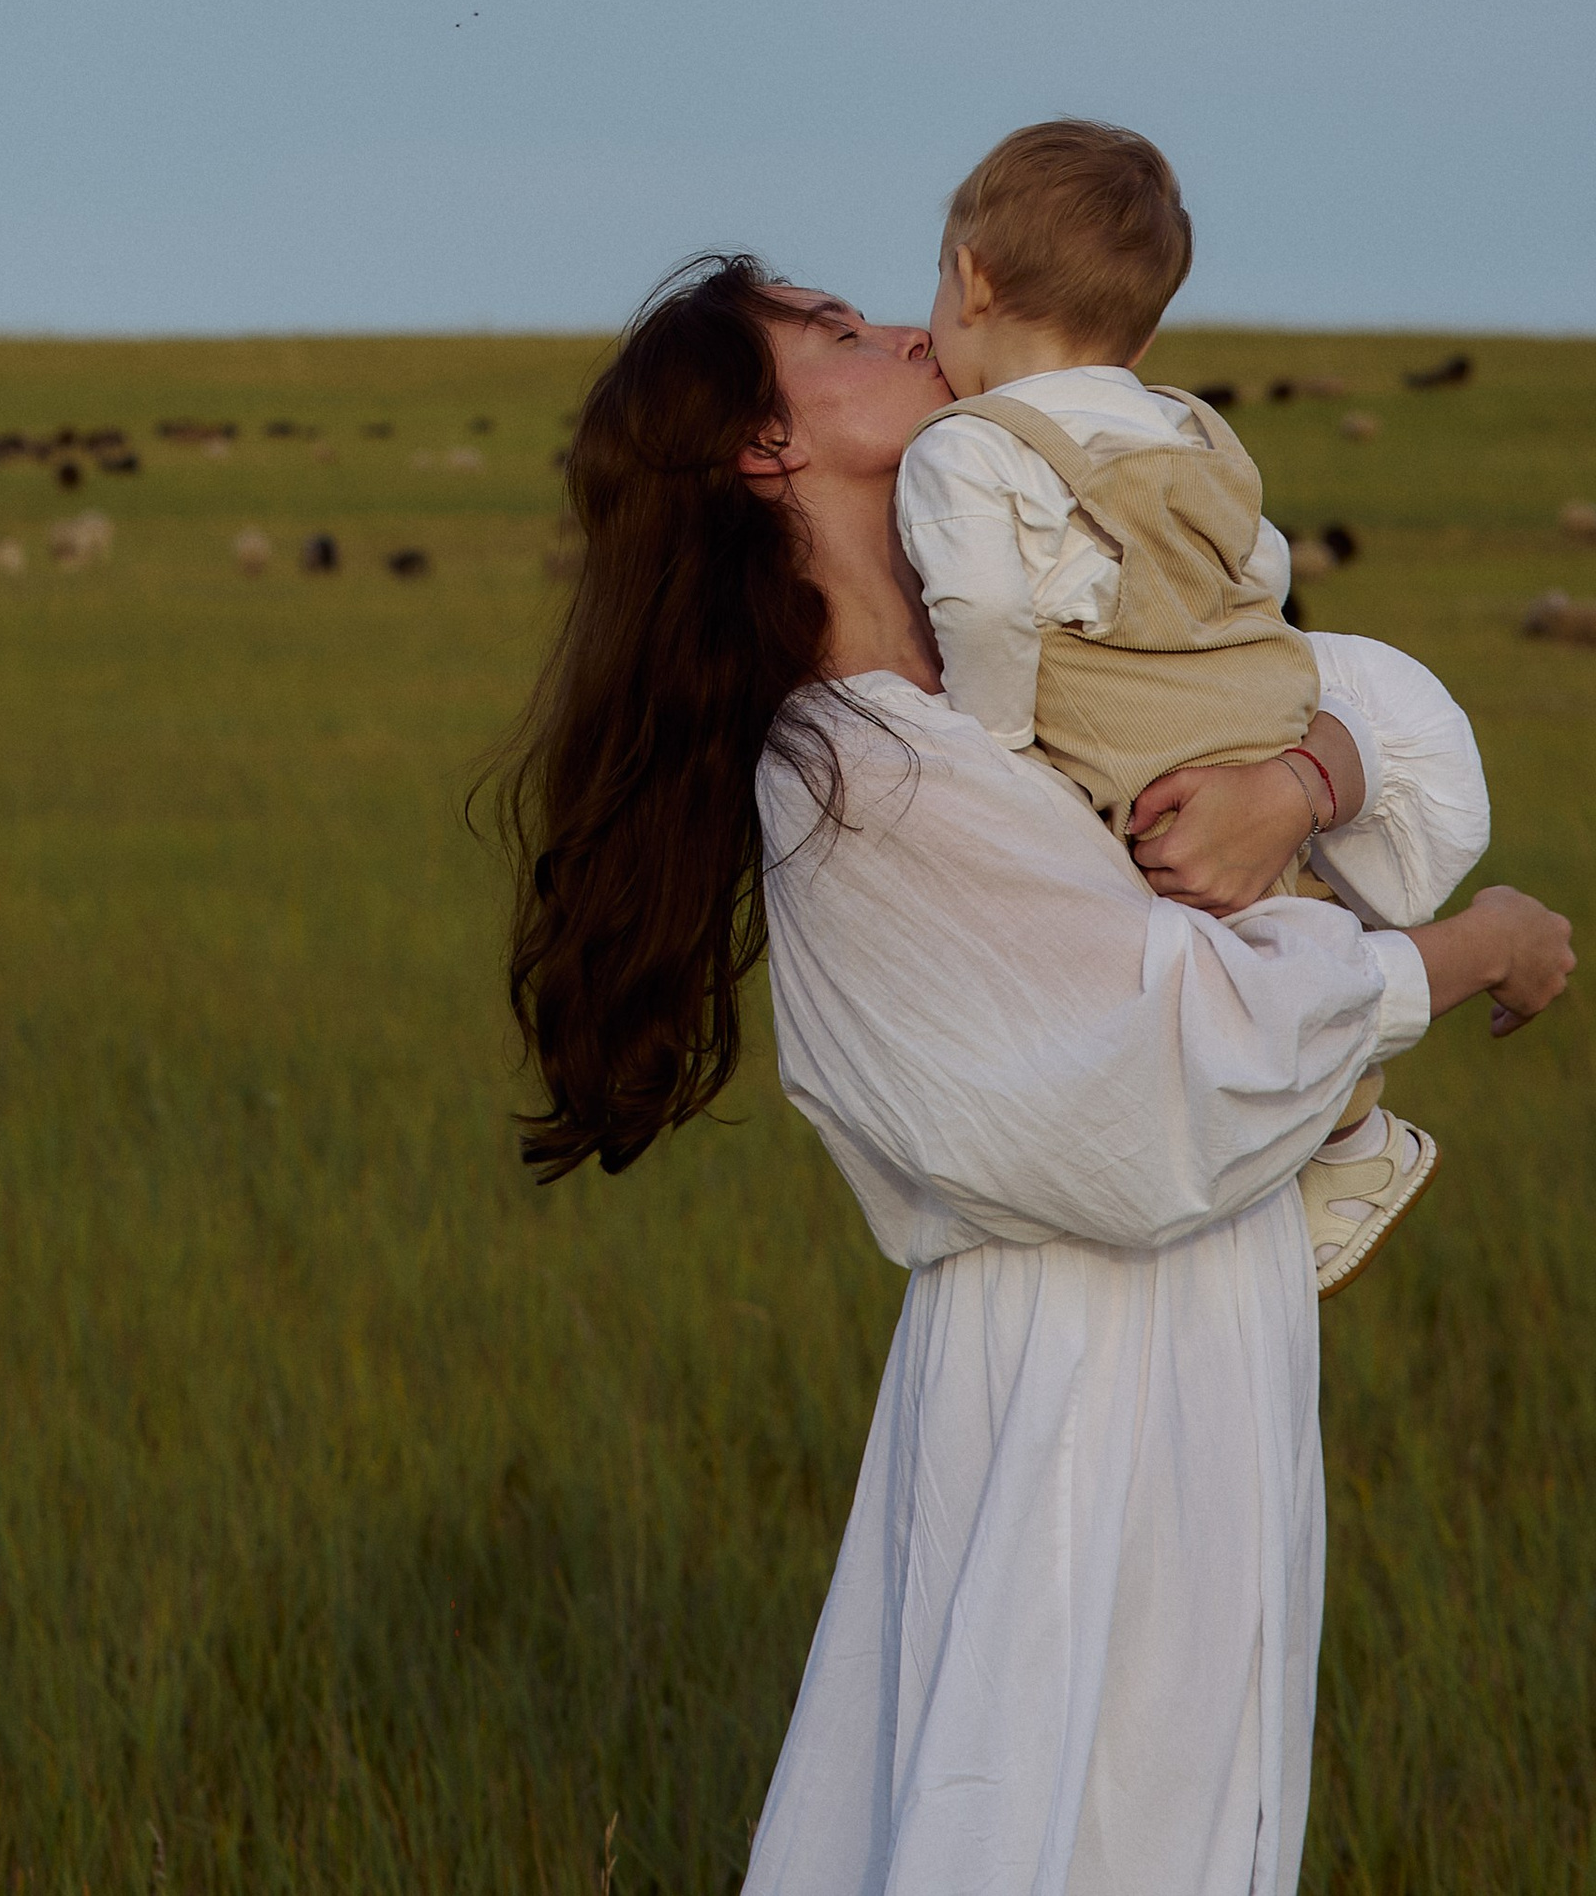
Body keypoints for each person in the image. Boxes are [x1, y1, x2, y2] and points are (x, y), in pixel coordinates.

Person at [496, 254, 1572, 1896]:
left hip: (1213, 1322)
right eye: (840, 335)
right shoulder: (852, 768)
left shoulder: (1030, 640)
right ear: (761, 447)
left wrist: (1301, 774)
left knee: (1178, 1814)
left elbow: (1364, 694)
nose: (914, 330)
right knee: (1052, 1819)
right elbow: (1160, 1075)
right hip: (1074, 1358)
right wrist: (1466, 946)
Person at [899, 117, 1467, 1292]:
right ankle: (1354, 1138)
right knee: (1286, 922)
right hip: (1255, 706)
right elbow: (1256, 568)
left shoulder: (964, 447)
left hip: (1129, 735)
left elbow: (985, 606)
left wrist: (993, 745)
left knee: (1184, 971)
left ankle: (1331, 1148)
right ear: (1144, 328)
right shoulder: (1193, 425)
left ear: (971, 277)